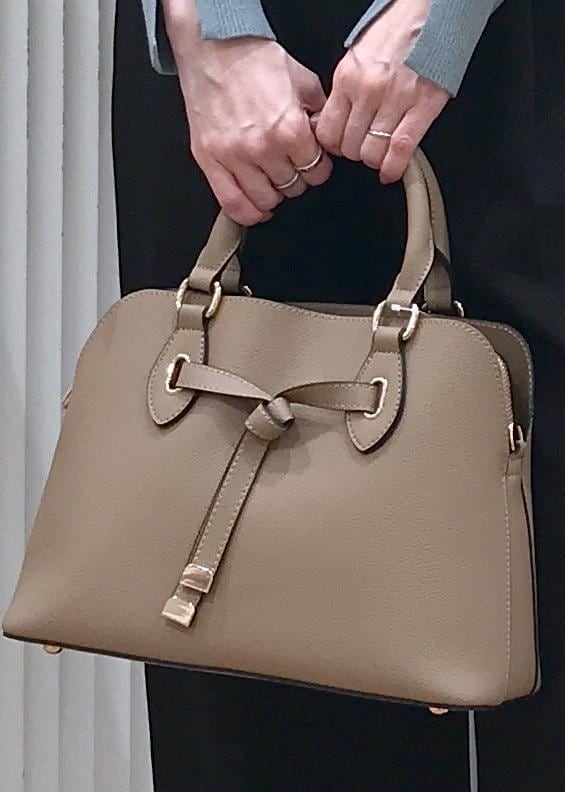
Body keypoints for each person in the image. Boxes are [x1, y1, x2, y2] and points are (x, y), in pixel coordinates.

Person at [112, 0, 565, 789]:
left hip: (509, 43)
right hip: (230, 64)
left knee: (537, 595)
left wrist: (440, 15)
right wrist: (211, 26)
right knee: (248, 624)